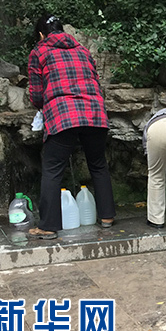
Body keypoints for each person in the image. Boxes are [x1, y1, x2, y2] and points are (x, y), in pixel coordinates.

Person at [27, 14, 116, 239]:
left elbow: (36, 94)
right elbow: (95, 79)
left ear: (41, 34)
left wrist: (41, 107)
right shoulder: (83, 50)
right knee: (98, 164)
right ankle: (107, 216)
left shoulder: (39, 51)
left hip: (63, 114)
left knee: (52, 169)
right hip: (95, 112)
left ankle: (48, 227)